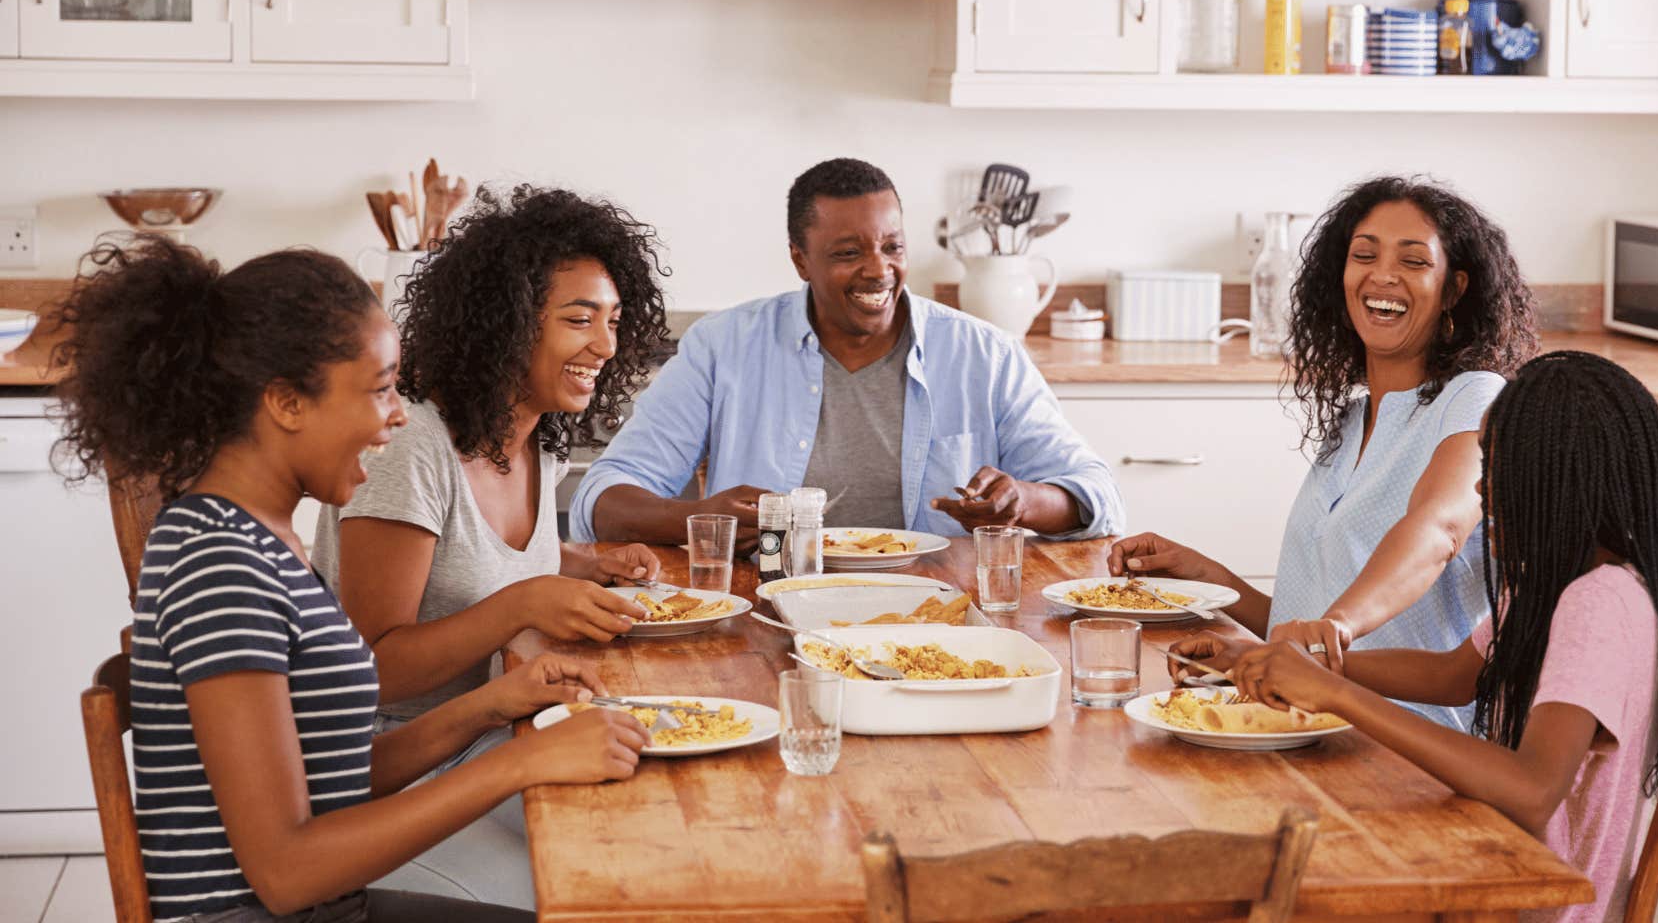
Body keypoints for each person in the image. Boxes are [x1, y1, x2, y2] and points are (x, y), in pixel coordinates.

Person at [51, 238, 647, 923]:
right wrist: (516, 765)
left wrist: (490, 705)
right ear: (286, 402)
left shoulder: (261, 538)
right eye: (379, 389)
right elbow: (285, 872)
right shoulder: (219, 564)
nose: (399, 415)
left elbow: (330, 778)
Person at [1173, 351, 1658, 923]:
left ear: (1557, 481)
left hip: (1524, 906)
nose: (1479, 486)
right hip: (1490, 868)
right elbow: (1455, 675)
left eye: (1495, 467)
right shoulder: (1557, 583)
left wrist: (1335, 693)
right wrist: (1288, 660)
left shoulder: (1599, 605)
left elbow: (1532, 789)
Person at [1109, 177, 1537, 728]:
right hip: (1311, 726)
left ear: (1453, 290)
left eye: (1413, 262)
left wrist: (1336, 625)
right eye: (1364, 255)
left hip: (1408, 746)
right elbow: (1307, 634)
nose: (1382, 275)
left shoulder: (1475, 398)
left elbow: (1440, 530)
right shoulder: (1352, 422)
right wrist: (1208, 578)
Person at [572, 157, 1121, 545]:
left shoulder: (984, 354)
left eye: (892, 246)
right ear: (800, 260)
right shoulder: (724, 347)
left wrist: (1022, 501)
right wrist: (696, 519)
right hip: (769, 610)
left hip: (942, 616)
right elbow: (600, 500)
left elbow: (1097, 496)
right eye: (848, 252)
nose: (879, 270)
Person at [314, 185, 673, 725]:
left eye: (614, 321)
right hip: (396, 754)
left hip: (498, 725)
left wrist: (588, 565)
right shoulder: (410, 445)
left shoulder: (535, 433)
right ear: (507, 324)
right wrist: (524, 604)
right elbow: (373, 669)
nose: (607, 345)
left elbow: (467, 560)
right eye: (580, 320)